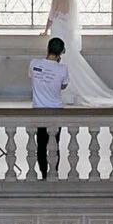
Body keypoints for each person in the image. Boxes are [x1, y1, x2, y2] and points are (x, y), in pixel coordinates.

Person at [28, 37, 68, 179]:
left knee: (41, 144)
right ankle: (53, 172)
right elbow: (63, 85)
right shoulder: (62, 69)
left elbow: (32, 77)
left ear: (48, 49)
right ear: (60, 53)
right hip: (56, 111)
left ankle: (44, 173)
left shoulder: (34, 64)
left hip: (39, 110)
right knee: (54, 144)